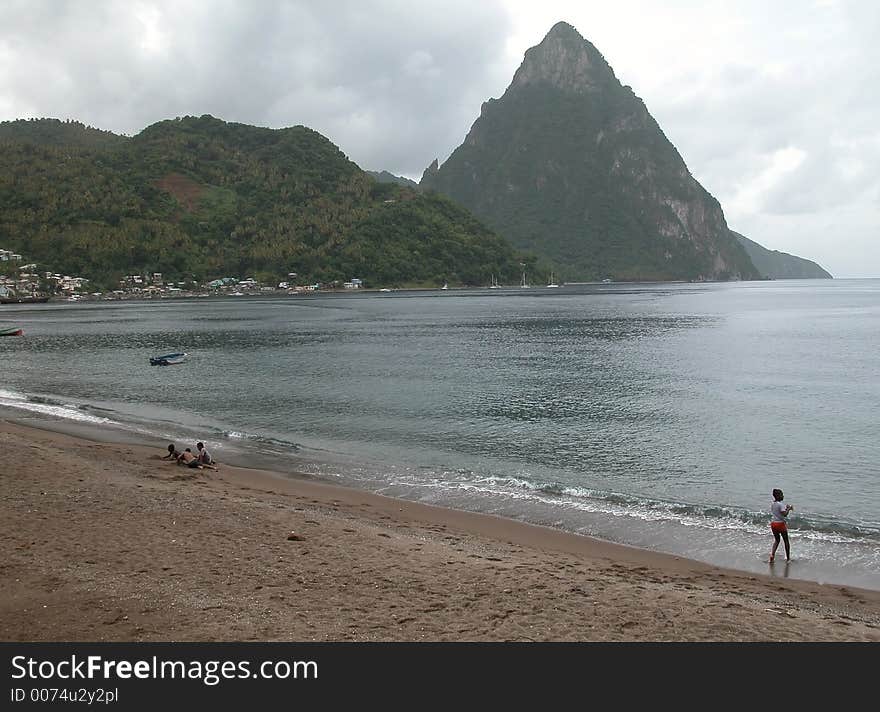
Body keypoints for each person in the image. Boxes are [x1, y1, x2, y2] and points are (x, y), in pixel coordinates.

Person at [769, 488, 794, 563]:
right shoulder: (780, 504)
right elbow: (785, 514)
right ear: (779, 496)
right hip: (780, 524)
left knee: (777, 540)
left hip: (773, 524)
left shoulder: (773, 504)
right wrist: (789, 509)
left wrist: (786, 509)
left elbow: (778, 513)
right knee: (786, 541)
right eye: (782, 495)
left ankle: (772, 555)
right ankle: (788, 559)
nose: (783, 496)